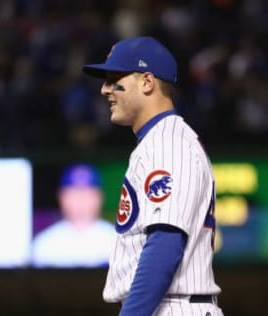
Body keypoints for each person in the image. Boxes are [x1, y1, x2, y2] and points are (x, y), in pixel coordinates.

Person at [82, 37, 223, 315]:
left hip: (173, 306)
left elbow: (165, 244)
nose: (105, 89)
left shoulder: (167, 144)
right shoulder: (161, 141)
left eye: (114, 79)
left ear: (147, 82)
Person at [31, 163, 116, 268]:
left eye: (86, 193)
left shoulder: (116, 241)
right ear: (61, 197)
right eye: (74, 193)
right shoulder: (44, 244)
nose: (80, 199)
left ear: (99, 197)